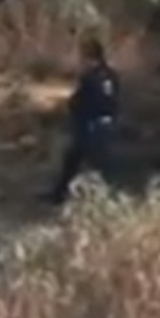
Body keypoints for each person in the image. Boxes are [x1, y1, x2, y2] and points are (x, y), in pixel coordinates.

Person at [47, 38, 121, 204]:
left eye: (83, 57)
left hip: (91, 126)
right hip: (108, 123)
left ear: (90, 57)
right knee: (74, 159)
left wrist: (72, 111)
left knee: (94, 163)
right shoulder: (112, 75)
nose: (81, 61)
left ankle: (103, 199)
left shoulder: (90, 77)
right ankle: (59, 194)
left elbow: (80, 102)